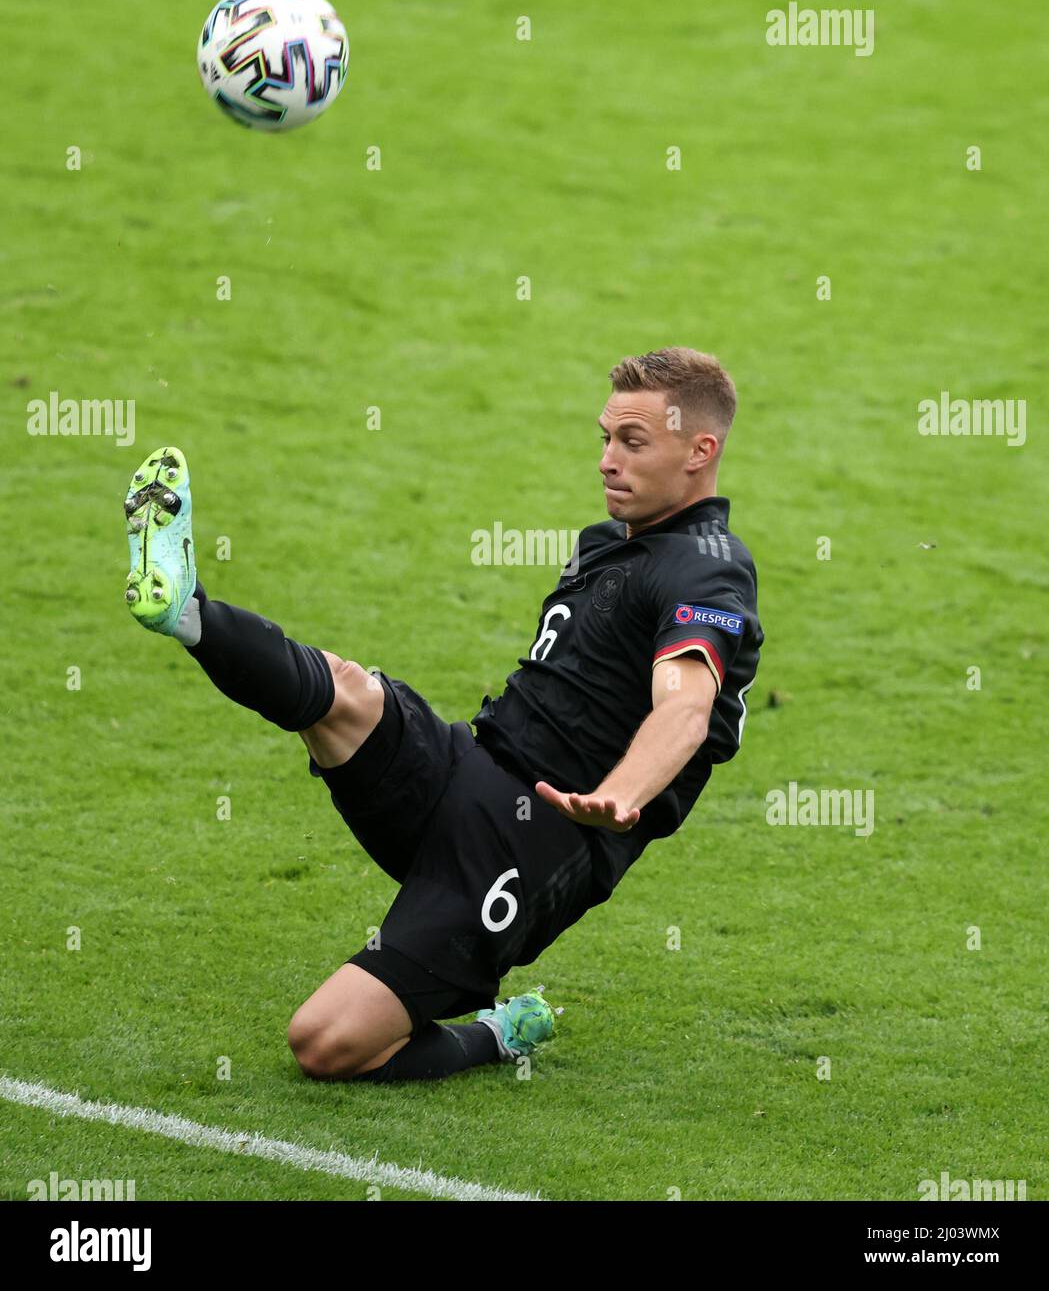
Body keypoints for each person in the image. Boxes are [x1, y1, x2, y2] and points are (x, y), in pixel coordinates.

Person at [121, 347, 763, 1084]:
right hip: (468, 767)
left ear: (699, 449)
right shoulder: (607, 545)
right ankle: (185, 612)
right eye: (604, 438)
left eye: (632, 442)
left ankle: (495, 1034)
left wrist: (623, 793)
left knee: (324, 1042)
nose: (606, 461)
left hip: (533, 847)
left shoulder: (709, 569)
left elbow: (684, 707)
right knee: (345, 693)